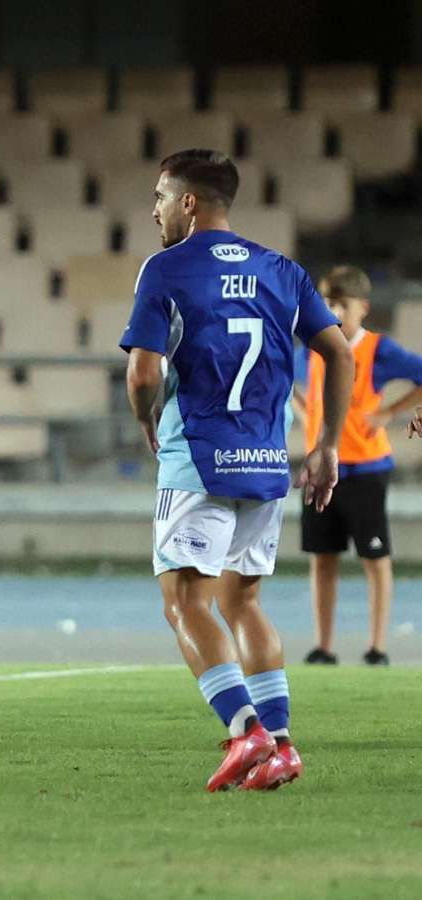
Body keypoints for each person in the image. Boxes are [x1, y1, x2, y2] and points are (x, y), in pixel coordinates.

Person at [122, 149, 354, 792]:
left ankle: (245, 729)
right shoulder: (282, 271)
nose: (155, 209)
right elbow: (339, 355)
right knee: (243, 600)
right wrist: (327, 444)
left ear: (189, 202)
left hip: (197, 455)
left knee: (184, 601)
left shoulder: (166, 268)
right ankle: (280, 745)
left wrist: (146, 419)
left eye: (162, 197)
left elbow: (143, 373)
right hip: (262, 461)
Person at [293, 266, 422, 667]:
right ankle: (323, 646)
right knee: (322, 557)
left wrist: (390, 413)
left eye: (341, 304)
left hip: (365, 468)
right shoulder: (310, 348)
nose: (332, 311)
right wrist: (303, 413)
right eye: (326, 303)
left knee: (374, 558)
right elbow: (292, 385)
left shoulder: (377, 350)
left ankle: (377, 647)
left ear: (362, 307)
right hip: (321, 468)